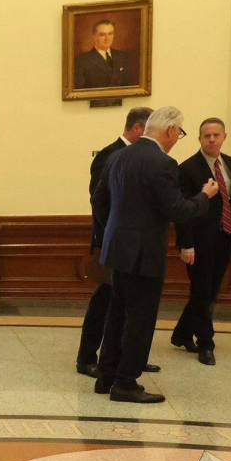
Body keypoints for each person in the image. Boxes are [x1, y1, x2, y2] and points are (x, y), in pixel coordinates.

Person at [94, 107, 217, 403]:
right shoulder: (162, 162)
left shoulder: (118, 156)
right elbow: (178, 210)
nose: (177, 139)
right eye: (180, 133)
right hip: (143, 253)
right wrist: (205, 196)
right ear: (171, 130)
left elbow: (99, 200)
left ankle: (106, 376)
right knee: (140, 319)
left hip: (117, 249)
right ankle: (126, 383)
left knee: (117, 314)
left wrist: (114, 233)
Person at [77, 107, 160, 378]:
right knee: (104, 302)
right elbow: (100, 202)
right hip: (111, 244)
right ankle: (86, 358)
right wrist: (109, 240)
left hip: (132, 246)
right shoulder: (109, 155)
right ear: (137, 128)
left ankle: (127, 358)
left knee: (127, 304)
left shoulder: (137, 157)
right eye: (150, 131)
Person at [171, 118, 231, 366]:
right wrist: (186, 244)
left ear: (224, 137)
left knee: (209, 291)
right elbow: (182, 211)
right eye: (207, 136)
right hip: (199, 241)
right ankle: (206, 343)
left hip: (225, 236)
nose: (212, 139)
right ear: (200, 139)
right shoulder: (187, 169)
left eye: (216, 135)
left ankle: (182, 333)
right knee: (202, 291)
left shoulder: (229, 163)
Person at [74, 19, 139, 89]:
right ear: (94, 36)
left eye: (110, 34)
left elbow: (131, 85)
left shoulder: (123, 56)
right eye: (102, 35)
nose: (107, 38)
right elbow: (80, 89)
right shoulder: (82, 60)